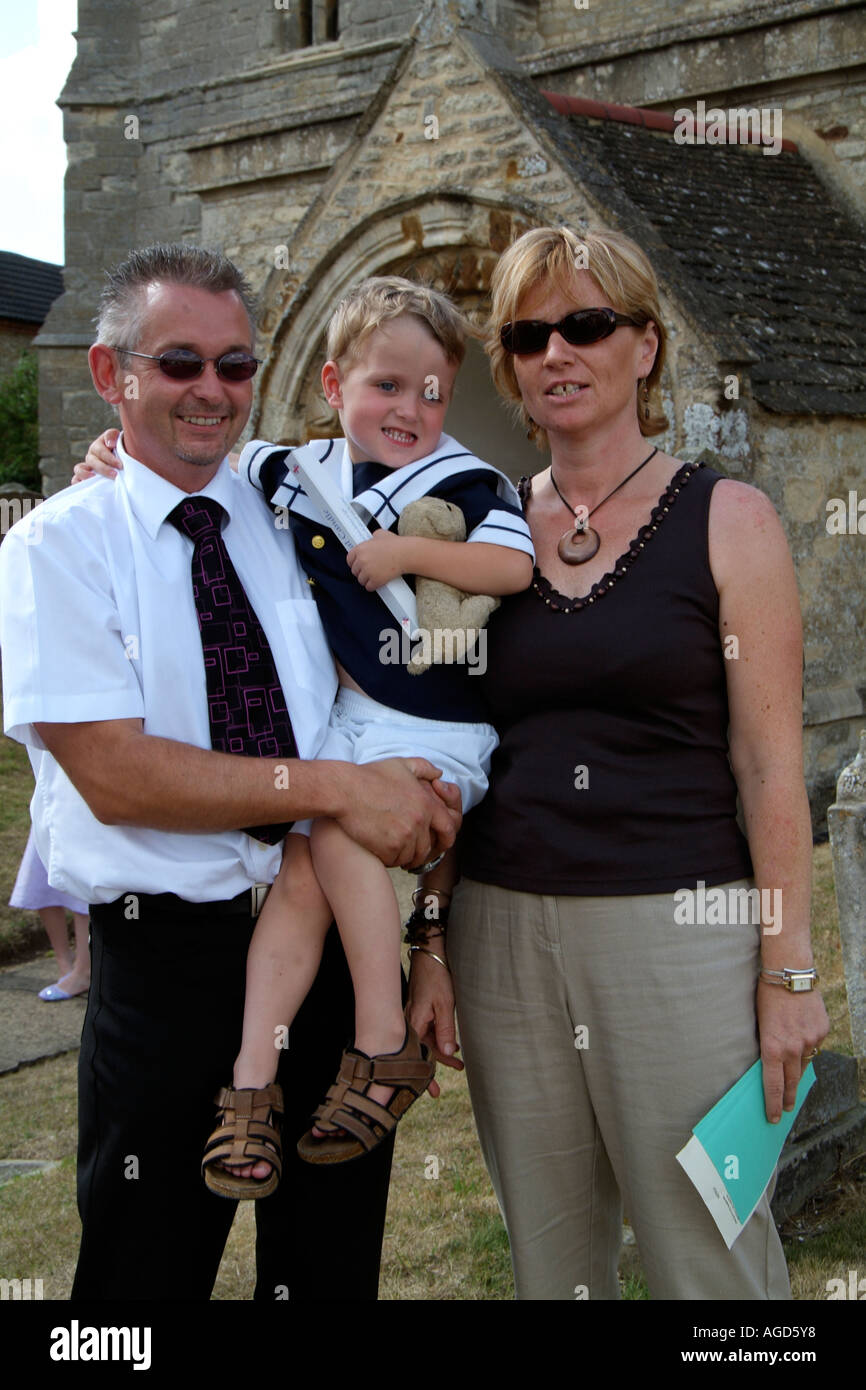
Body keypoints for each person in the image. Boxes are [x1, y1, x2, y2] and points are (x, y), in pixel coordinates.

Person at [0, 243, 459, 1302]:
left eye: (236, 365)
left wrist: (428, 933)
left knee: (329, 1268)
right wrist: (338, 790)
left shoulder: (296, 508)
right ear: (110, 377)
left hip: (332, 946)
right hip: (169, 968)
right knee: (139, 1278)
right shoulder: (59, 547)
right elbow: (118, 775)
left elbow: (442, 625)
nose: (211, 389)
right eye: (177, 364)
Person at [407, 225, 829, 1300]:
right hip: (500, 931)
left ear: (643, 344)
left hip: (682, 937)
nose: (558, 350)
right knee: (553, 1266)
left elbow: (770, 768)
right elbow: (439, 738)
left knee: (712, 1255)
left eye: (585, 324)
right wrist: (434, 941)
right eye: (529, 333)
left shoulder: (727, 521)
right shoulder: (476, 527)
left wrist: (787, 975)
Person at [79, 276, 534, 1190]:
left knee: (334, 831)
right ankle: (252, 1084)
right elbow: (193, 473)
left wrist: (407, 553)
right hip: (348, 724)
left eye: (432, 391)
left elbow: (510, 566)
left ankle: (380, 1038)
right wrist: (112, 457)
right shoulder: (290, 472)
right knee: (301, 874)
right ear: (332, 385)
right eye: (386, 386)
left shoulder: (464, 477)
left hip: (436, 720)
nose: (411, 409)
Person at [10, 828, 90, 1000]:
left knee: (85, 882)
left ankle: (84, 970)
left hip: (87, 811)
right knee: (42, 871)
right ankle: (64, 962)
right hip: (51, 806)